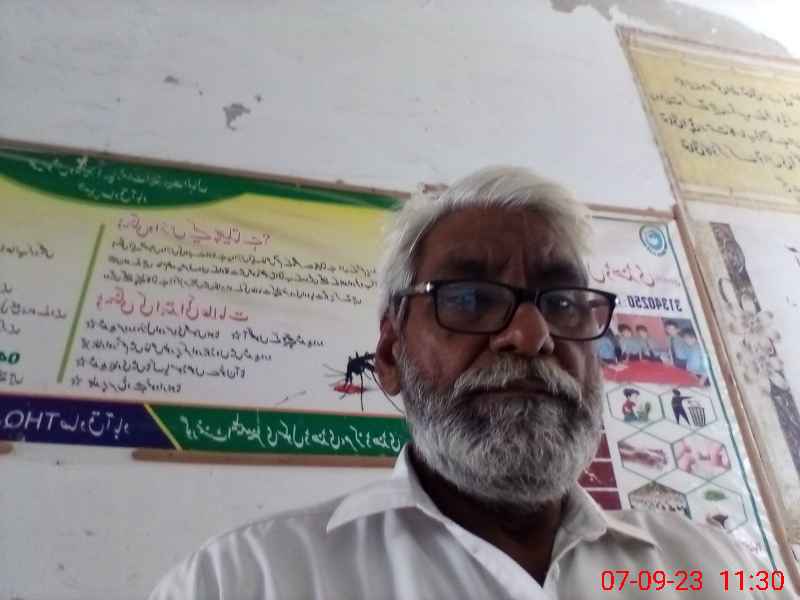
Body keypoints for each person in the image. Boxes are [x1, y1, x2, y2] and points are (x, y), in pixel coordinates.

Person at [149, 167, 792, 599]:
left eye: (563, 302)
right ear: (390, 353)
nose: (532, 335)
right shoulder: (243, 581)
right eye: (470, 298)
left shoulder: (718, 569)